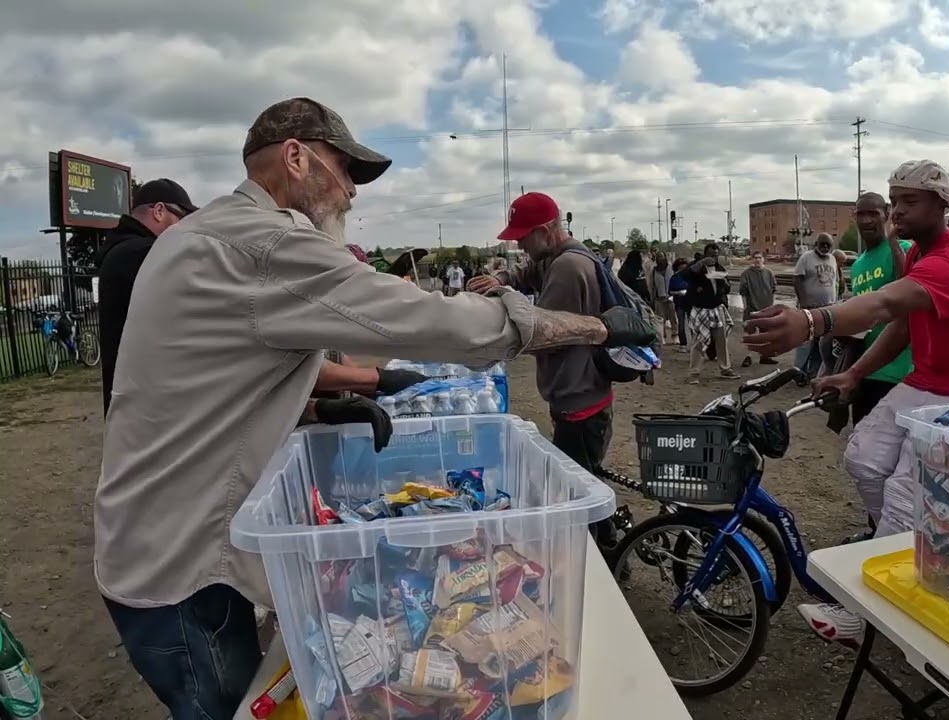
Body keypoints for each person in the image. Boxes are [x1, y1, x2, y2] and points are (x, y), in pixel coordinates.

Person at [95, 97, 654, 720]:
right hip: (183, 571)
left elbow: (218, 376)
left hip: (168, 544)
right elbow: (435, 322)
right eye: (346, 172)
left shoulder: (207, 236)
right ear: (296, 157)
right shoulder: (260, 242)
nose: (351, 194)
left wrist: (320, 406)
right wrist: (594, 329)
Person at [744, 160, 949, 644]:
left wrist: (810, 321)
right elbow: (902, 325)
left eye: (910, 201)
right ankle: (912, 548)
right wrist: (853, 372)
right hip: (930, 381)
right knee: (864, 458)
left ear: (943, 205)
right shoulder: (918, 258)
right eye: (896, 201)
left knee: (903, 494)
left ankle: (869, 614)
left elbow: (886, 304)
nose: (898, 211)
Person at [467, 192, 633, 544]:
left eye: (524, 237)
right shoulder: (553, 256)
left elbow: (546, 334)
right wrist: (502, 279)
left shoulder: (568, 268)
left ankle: (606, 548)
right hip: (579, 392)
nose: (519, 244)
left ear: (546, 230)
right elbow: (527, 270)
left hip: (580, 397)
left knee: (577, 488)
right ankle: (606, 539)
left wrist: (492, 341)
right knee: (581, 477)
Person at [96, 179, 199, 415]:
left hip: (136, 404)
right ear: (160, 211)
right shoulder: (141, 253)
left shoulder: (124, 252)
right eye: (182, 218)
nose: (185, 227)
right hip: (144, 410)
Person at [833, 192, 912, 431]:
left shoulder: (904, 248)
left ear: (886, 214)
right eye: (861, 214)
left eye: (873, 213)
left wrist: (894, 243)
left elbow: (909, 288)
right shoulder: (857, 265)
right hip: (867, 367)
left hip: (901, 369)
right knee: (862, 437)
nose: (866, 220)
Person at [680, 243, 739, 382]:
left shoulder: (719, 268)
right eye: (712, 255)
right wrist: (701, 263)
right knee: (699, 341)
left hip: (717, 308)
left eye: (716, 255)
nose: (714, 258)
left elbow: (727, 288)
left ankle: (725, 368)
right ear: (706, 254)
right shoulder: (697, 267)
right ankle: (694, 373)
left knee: (721, 340)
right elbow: (684, 275)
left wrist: (725, 284)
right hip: (701, 309)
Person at [793, 232, 841, 378]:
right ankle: (797, 371)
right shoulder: (806, 258)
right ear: (816, 244)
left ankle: (813, 372)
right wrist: (804, 302)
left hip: (827, 308)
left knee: (822, 343)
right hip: (810, 307)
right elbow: (797, 279)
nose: (825, 247)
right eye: (822, 244)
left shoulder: (832, 258)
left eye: (828, 245)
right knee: (806, 340)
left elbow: (835, 281)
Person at [738, 251, 778, 367]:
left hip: (766, 308)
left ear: (763, 259)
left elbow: (774, 289)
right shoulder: (746, 274)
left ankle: (764, 356)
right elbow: (743, 292)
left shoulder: (769, 273)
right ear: (752, 259)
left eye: (760, 257)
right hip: (752, 307)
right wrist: (745, 307)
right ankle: (748, 357)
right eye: (755, 258)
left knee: (765, 333)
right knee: (750, 334)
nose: (757, 260)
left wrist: (772, 306)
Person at [648, 251, 676, 342]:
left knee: (673, 318)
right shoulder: (654, 270)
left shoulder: (671, 268)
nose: (660, 259)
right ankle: (662, 337)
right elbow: (651, 285)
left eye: (662, 257)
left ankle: (675, 335)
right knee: (661, 319)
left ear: (665, 258)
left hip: (671, 297)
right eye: (658, 257)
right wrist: (652, 297)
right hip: (659, 298)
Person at [669, 257, 691, 349]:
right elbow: (670, 291)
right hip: (679, 303)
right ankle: (683, 344)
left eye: (684, 268)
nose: (683, 270)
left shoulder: (691, 276)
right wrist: (679, 293)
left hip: (690, 303)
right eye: (681, 268)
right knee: (681, 324)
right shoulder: (674, 278)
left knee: (692, 324)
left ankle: (693, 344)